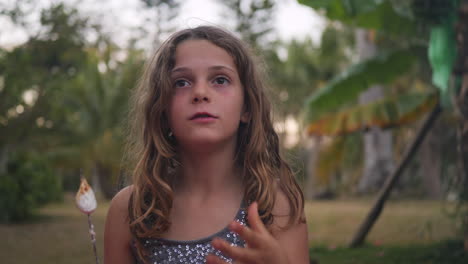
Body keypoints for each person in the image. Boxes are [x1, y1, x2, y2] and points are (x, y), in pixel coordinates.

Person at [104, 25, 309, 264]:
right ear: (162, 109)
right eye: (181, 82)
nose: (200, 92)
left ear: (246, 107)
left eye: (220, 80)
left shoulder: (276, 205)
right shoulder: (131, 209)